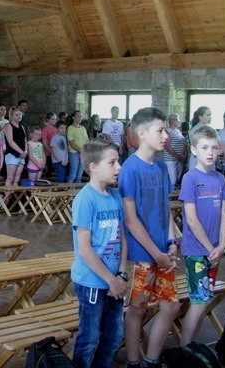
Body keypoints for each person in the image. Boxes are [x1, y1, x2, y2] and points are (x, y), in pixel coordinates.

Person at [118, 107, 180, 368]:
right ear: (141, 133)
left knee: (171, 307)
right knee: (138, 308)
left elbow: (165, 208)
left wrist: (172, 241)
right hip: (142, 254)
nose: (166, 136)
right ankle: (134, 361)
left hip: (163, 252)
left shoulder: (162, 167)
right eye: (160, 130)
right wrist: (156, 253)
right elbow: (130, 219)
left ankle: (152, 360)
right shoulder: (130, 169)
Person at [71, 139, 127, 368]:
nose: (118, 167)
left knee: (114, 336)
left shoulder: (115, 196)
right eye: (112, 163)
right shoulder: (85, 200)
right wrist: (110, 279)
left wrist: (121, 273)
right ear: (94, 167)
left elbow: (122, 237)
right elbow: (85, 249)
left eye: (118, 161)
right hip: (92, 281)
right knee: (89, 338)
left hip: (114, 280)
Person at [178, 125, 225, 345]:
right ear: (194, 150)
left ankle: (193, 347)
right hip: (197, 252)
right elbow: (191, 219)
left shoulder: (220, 179)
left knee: (204, 301)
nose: (210, 152)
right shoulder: (190, 178)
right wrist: (210, 249)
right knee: (198, 303)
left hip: (214, 251)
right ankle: (184, 351)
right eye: (204, 147)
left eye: (214, 148)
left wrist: (222, 244)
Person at [4, 106, 27, 186]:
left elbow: (25, 140)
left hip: (22, 155)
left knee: (17, 179)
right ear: (11, 116)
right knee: (10, 178)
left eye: (20, 114)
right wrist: (21, 152)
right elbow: (11, 142)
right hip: (12, 154)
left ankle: (14, 193)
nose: (19, 116)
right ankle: (7, 194)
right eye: (16, 115)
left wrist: (25, 151)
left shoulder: (22, 126)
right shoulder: (8, 126)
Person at [163, 113, 186, 187]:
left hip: (179, 159)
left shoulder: (178, 131)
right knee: (172, 181)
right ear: (172, 121)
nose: (179, 121)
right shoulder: (167, 131)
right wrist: (178, 156)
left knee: (177, 180)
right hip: (170, 159)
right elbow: (167, 147)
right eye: (177, 120)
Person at [67, 110, 88, 183]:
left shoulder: (83, 128)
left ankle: (77, 190)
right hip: (74, 153)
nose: (80, 118)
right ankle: (68, 189)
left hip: (83, 153)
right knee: (73, 175)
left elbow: (87, 140)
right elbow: (71, 143)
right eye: (78, 116)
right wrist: (81, 150)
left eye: (81, 116)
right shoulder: (70, 128)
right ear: (73, 117)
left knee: (79, 176)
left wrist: (86, 150)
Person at [188, 106, 212, 171]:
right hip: (198, 161)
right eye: (208, 115)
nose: (210, 117)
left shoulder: (210, 129)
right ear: (200, 117)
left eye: (210, 115)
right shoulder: (195, 130)